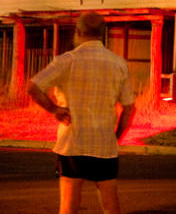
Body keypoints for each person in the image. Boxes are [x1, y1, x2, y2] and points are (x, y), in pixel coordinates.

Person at [28, 12, 136, 214]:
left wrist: (55, 109)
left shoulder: (66, 61)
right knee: (110, 203)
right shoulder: (118, 64)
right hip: (104, 144)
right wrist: (116, 138)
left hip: (73, 143)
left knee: (69, 204)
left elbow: (32, 87)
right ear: (103, 34)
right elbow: (129, 108)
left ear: (78, 32)